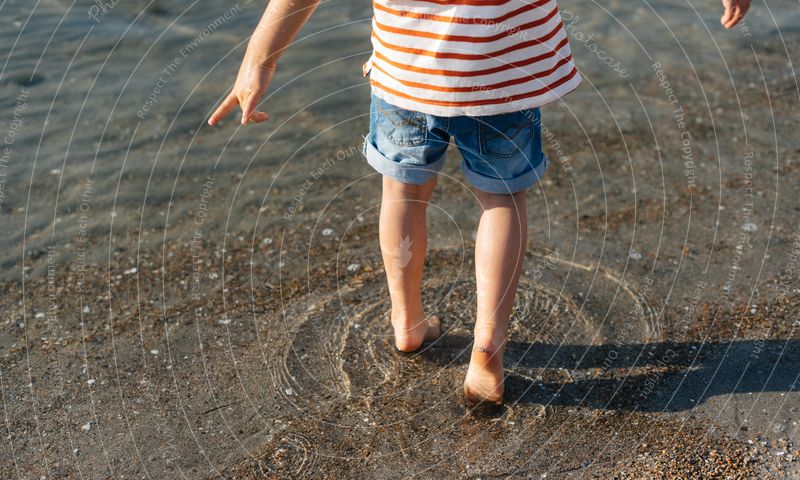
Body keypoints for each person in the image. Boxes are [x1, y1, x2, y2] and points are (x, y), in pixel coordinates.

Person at [209, 0, 751, 405]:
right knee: (502, 202)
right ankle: (487, 349)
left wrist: (259, 61)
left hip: (406, 78)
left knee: (401, 192)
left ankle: (408, 321)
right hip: (503, 81)